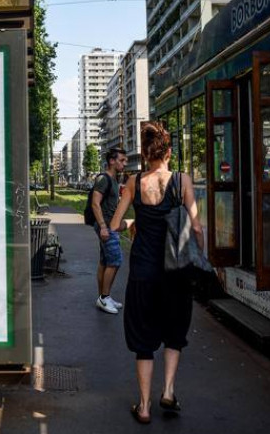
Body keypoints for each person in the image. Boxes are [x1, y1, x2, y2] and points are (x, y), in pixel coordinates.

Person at [110, 122, 203, 424]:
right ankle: (169, 390)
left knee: (144, 339)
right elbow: (196, 225)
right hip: (176, 271)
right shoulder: (182, 180)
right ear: (169, 153)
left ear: (146, 154)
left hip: (143, 272)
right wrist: (203, 254)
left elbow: (114, 225)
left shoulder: (134, 182)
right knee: (174, 332)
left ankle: (144, 406)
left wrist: (131, 224)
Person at [91, 147, 128, 314]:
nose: (124, 163)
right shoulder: (104, 179)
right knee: (115, 261)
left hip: (108, 225)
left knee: (105, 262)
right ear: (112, 161)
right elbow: (95, 203)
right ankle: (104, 298)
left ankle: (103, 297)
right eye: (121, 160)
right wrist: (103, 227)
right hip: (106, 226)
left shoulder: (113, 179)